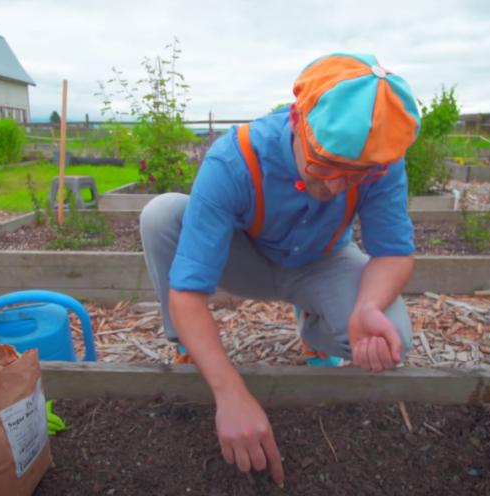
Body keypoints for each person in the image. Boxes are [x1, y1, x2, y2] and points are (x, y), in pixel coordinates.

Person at [139, 53, 421, 484]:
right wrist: (230, 392)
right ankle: (189, 345)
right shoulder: (234, 159)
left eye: (354, 177)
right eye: (324, 166)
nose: (333, 186)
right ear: (296, 118)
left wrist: (368, 306)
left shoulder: (381, 162)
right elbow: (187, 291)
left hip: (321, 261)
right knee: (161, 215)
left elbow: (394, 253)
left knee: (393, 336)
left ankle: (314, 331)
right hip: (245, 258)